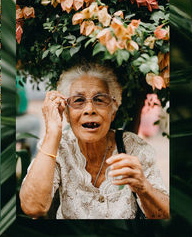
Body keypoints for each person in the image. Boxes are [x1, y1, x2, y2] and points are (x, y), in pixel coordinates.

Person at [19, 63, 169, 219]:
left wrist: (144, 188)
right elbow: (32, 207)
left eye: (99, 100)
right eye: (78, 100)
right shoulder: (59, 146)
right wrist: (52, 132)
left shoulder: (134, 147)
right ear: (68, 114)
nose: (89, 109)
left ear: (113, 110)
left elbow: (166, 217)